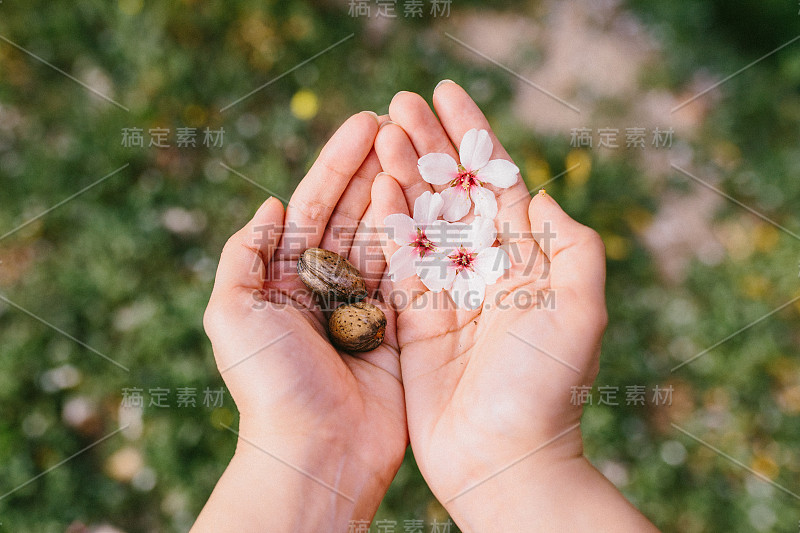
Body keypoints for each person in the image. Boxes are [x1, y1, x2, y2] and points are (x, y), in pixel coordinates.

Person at [192, 81, 660, 532]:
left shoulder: (454, 240)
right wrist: (521, 458)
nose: (464, 182)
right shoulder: (400, 263)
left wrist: (302, 446)